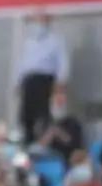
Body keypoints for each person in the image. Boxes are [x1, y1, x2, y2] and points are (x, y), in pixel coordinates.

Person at [16, 12, 69, 142]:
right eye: (35, 20)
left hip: (45, 81)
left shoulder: (55, 40)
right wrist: (18, 82)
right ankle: (28, 142)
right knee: (26, 117)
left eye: (42, 20)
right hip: (29, 81)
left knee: (43, 116)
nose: (38, 23)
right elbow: (22, 64)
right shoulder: (28, 42)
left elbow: (63, 63)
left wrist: (60, 84)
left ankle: (44, 142)